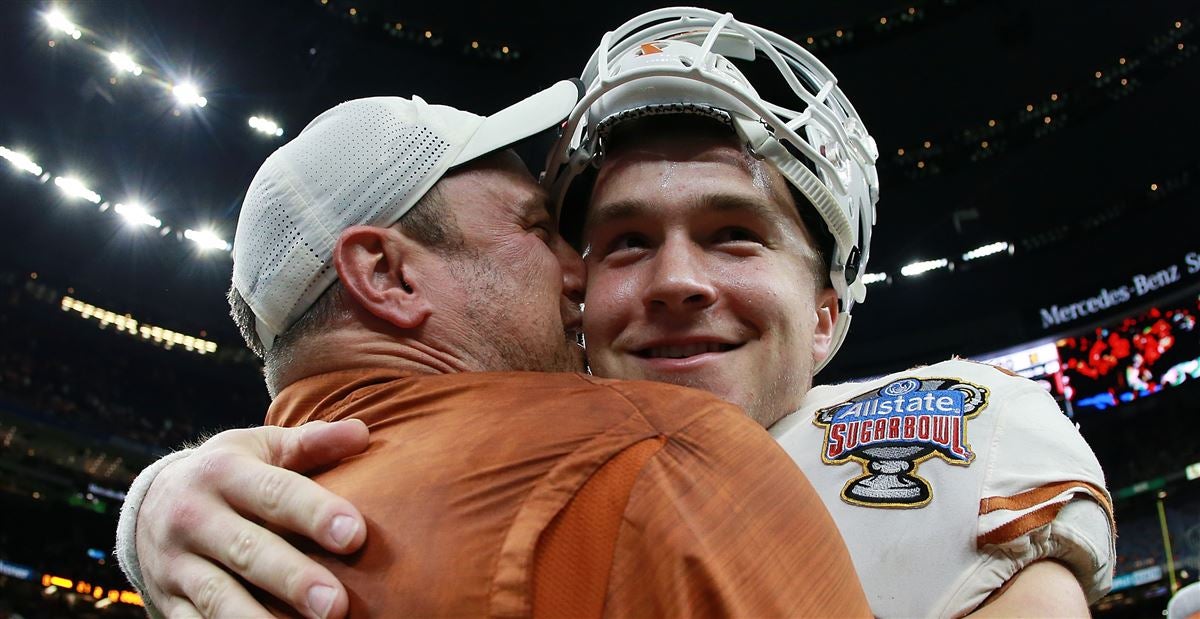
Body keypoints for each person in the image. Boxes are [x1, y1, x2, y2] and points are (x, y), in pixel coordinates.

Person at [116, 8, 1114, 618]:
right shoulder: (542, 459)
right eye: (625, 242)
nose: (677, 279)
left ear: (822, 315)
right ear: (581, 301)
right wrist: (161, 495)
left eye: (733, 233)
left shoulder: (976, 424)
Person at [116, 85, 869, 618]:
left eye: (732, 235)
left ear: (827, 315)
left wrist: (146, 508)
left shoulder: (228, 544)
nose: (580, 271)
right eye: (542, 231)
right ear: (389, 275)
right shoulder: (671, 456)